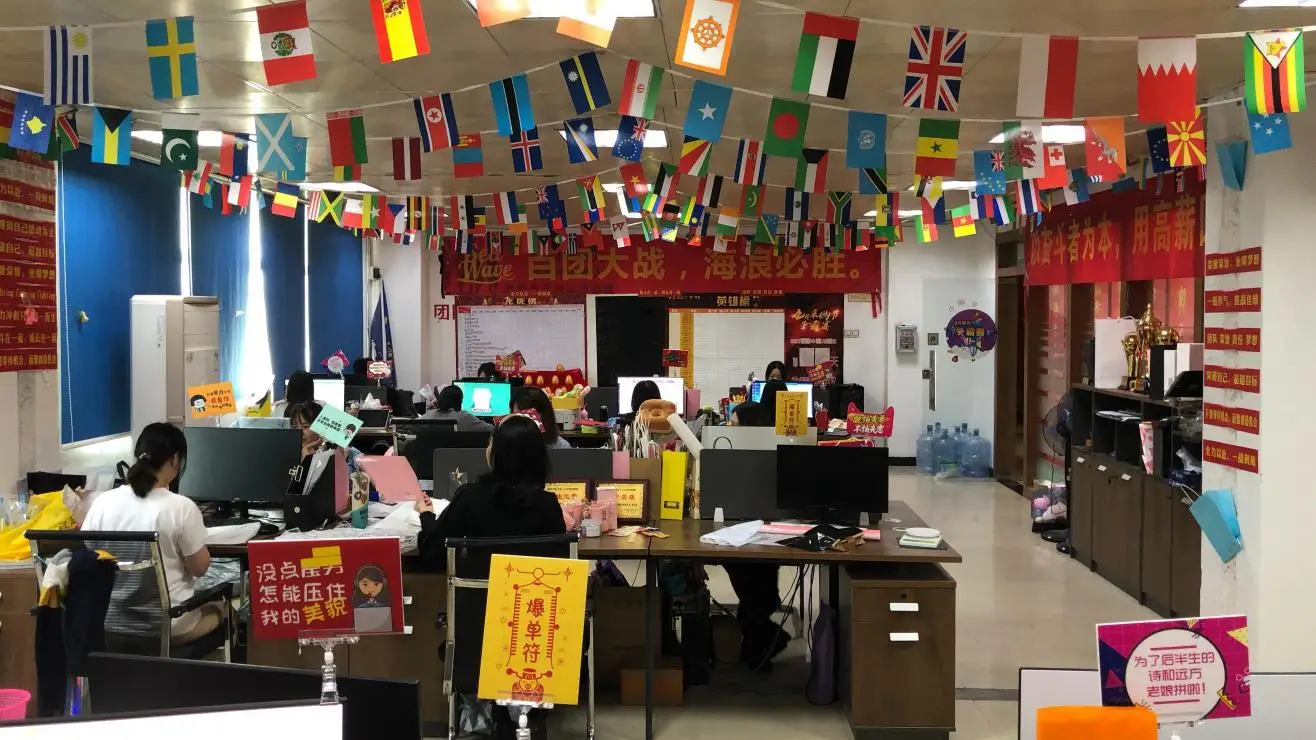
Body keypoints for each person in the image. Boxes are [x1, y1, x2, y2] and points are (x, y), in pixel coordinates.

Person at [82, 423, 220, 645]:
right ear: (175, 459)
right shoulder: (181, 507)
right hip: (166, 627)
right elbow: (199, 568)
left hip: (110, 624)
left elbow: (89, 558)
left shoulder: (102, 503)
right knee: (222, 608)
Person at [415, 414, 566, 571]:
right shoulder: (548, 504)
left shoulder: (469, 498)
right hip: (530, 586)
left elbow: (433, 553)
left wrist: (426, 514)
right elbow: (560, 564)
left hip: (478, 587)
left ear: (496, 453)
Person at [422, 385, 494, 432]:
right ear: (460, 401)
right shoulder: (463, 416)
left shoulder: (428, 415)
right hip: (455, 451)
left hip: (430, 451)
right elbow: (490, 429)